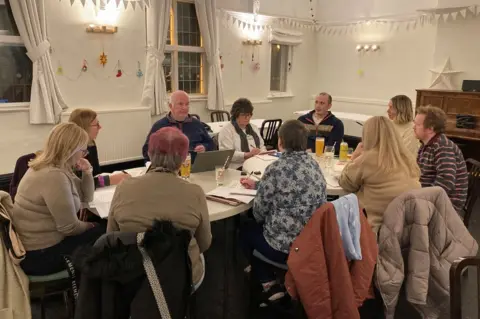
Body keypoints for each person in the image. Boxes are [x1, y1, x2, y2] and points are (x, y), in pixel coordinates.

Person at [108, 127, 211, 289]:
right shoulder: (195, 192)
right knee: (200, 255)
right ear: (184, 158)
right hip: (180, 276)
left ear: (149, 154)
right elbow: (205, 242)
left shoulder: (124, 187)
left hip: (133, 273)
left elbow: (111, 235)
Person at [239, 120, 327, 302]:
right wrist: (259, 185)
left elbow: (259, 212)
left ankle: (266, 280)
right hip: (310, 243)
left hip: (283, 247)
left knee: (246, 227)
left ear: (281, 141)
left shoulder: (275, 169)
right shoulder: (315, 166)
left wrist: (262, 190)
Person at [12, 123, 105, 276]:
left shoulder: (54, 166)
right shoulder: (53, 176)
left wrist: (88, 171)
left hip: (34, 248)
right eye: (82, 151)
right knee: (106, 231)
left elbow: (86, 197)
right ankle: (95, 291)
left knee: (101, 229)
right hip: (41, 255)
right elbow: (69, 228)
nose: (84, 155)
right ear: (71, 151)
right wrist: (92, 225)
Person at [339, 116, 421, 233]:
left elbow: (345, 183)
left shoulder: (368, 158)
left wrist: (354, 157)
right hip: (406, 228)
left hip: (375, 228)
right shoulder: (407, 158)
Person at [414, 105, 468, 212]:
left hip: (446, 204)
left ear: (430, 129)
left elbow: (446, 181)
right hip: (431, 198)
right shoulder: (426, 145)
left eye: (417, 124)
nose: (413, 127)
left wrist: (420, 197)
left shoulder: (443, 146)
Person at [142, 90, 215, 162]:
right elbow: (146, 151)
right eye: (180, 104)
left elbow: (211, 144)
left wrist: (205, 147)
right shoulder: (160, 126)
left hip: (194, 165)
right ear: (170, 106)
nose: (184, 107)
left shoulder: (197, 124)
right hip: (169, 167)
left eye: (187, 104)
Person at [69, 108, 129, 188]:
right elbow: (78, 185)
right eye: (96, 125)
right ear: (84, 128)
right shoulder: (72, 151)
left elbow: (96, 174)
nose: (100, 127)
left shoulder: (91, 144)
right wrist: (110, 179)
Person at [218, 98, 266, 169]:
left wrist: (262, 152)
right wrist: (247, 155)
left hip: (255, 163)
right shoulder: (226, 131)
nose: (247, 118)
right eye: (244, 115)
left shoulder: (254, 128)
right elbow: (228, 154)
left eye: (249, 115)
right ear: (236, 115)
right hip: (236, 167)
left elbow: (262, 146)